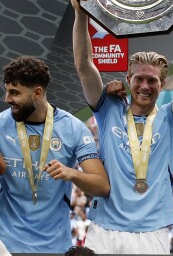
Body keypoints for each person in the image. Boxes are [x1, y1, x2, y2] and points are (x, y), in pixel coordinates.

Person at [69, 0, 173, 254]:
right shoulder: (109, 109)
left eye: (152, 80)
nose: (145, 85)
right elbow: (84, 66)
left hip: (151, 232)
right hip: (104, 227)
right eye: (139, 78)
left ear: (163, 84)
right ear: (128, 79)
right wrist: (80, 14)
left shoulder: (171, 119)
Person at [0, 56, 109, 253]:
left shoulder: (73, 128)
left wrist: (72, 173)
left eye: (14, 93)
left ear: (37, 93)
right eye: (7, 91)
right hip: (6, 246)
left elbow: (101, 186)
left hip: (54, 247)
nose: (7, 99)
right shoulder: (0, 125)